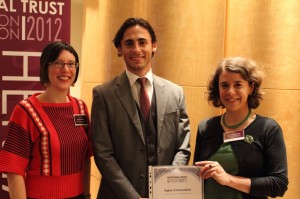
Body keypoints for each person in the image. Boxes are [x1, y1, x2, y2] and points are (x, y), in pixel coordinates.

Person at [91, 17, 191, 199]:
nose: (136, 49)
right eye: (129, 43)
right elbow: (103, 154)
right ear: (120, 49)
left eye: (142, 42)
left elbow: (183, 148)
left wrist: (167, 187)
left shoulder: (175, 93)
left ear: (153, 45)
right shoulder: (103, 95)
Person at [0, 41, 92, 199]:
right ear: (45, 67)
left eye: (71, 64)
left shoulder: (81, 108)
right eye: (58, 63)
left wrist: (88, 195)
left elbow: (86, 158)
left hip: (79, 195)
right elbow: (13, 170)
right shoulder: (25, 111)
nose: (66, 69)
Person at [194, 57, 288, 199]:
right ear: (217, 88)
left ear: (251, 87)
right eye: (224, 85)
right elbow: (197, 179)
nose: (230, 92)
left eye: (238, 85)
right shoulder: (205, 127)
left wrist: (228, 179)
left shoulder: (268, 129)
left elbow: (279, 185)